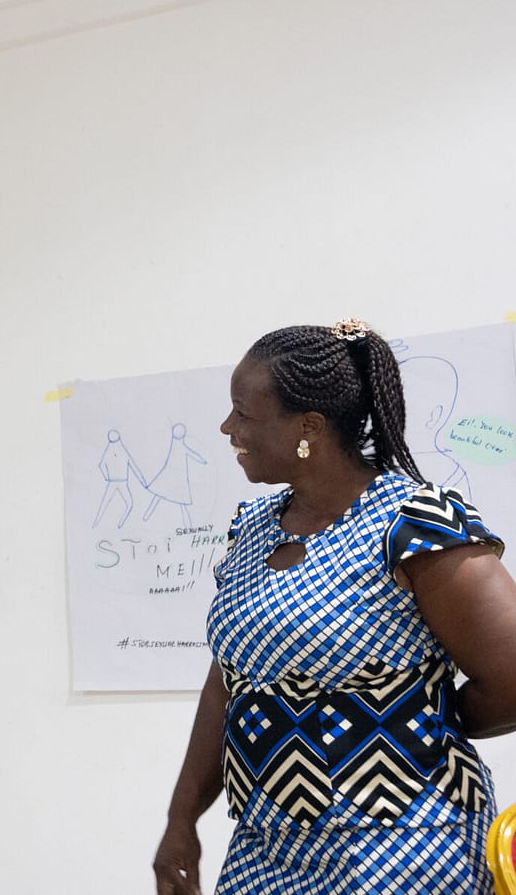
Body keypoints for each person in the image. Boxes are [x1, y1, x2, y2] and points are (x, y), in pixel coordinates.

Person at [154, 320, 516, 895]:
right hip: (266, 845)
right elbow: (229, 682)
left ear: (310, 428)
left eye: (244, 414)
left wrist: (421, 720)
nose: (228, 428)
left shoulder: (416, 522)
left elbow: (513, 677)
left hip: (407, 845)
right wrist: (181, 821)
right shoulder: (251, 529)